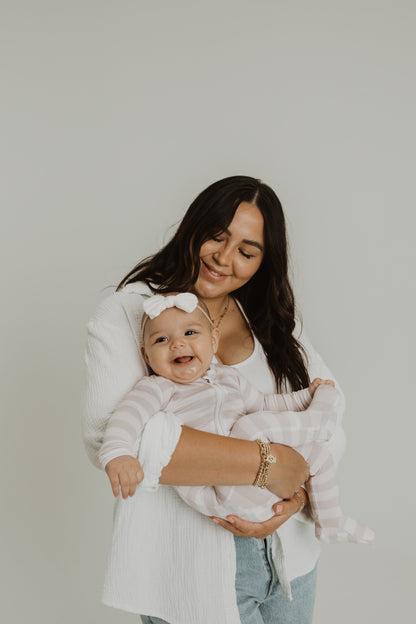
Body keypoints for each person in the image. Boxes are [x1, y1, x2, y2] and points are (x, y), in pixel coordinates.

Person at [83, 176, 347, 624]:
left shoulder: (271, 317)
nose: (225, 259)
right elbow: (124, 442)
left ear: (265, 261)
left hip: (291, 560)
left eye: (247, 251)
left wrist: (297, 496)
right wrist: (269, 464)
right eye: (217, 237)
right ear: (193, 227)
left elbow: (329, 416)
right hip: (190, 563)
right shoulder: (129, 313)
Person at [99, 292, 373, 547]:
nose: (178, 343)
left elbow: (265, 404)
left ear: (213, 340)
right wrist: (117, 453)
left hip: (263, 492)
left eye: (191, 332)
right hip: (221, 493)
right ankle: (317, 423)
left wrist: (306, 397)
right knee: (247, 426)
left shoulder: (227, 378)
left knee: (318, 455)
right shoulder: (157, 388)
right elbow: (127, 418)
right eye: (161, 340)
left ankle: (331, 520)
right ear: (146, 354)